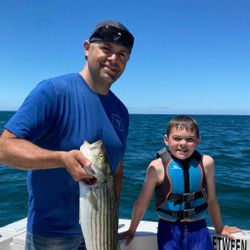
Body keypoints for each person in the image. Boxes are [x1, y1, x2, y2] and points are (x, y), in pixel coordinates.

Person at [0, 20, 134, 249]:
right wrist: (61, 159)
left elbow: (116, 170)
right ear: (86, 48)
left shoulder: (121, 111)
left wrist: (109, 219)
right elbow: (4, 149)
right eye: (106, 49)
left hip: (100, 231)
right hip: (52, 235)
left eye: (122, 54)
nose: (114, 59)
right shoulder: (52, 91)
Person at [119, 115, 241, 250]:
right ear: (166, 139)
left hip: (199, 229)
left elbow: (211, 200)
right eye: (177, 138)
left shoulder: (207, 163)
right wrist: (131, 231)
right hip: (168, 231)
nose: (183, 143)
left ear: (198, 141)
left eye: (190, 139)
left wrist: (219, 228)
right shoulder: (156, 167)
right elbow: (142, 203)